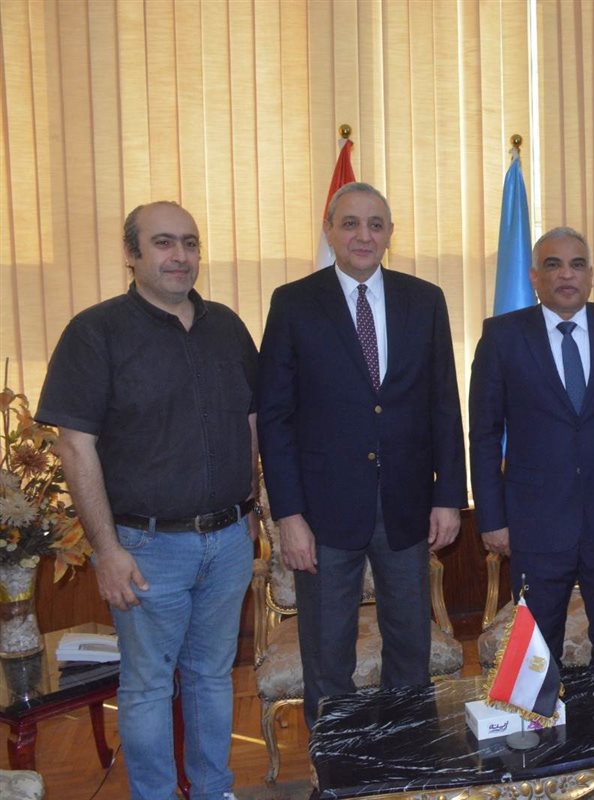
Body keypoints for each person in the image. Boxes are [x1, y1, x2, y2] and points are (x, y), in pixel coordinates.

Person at [37, 202, 257, 800]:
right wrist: (106, 550)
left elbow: (250, 420)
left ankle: (213, 791)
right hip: (145, 548)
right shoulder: (95, 332)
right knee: (148, 687)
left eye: (190, 242)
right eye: (163, 243)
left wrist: (252, 507)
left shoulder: (226, 327)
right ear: (131, 254)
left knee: (213, 677)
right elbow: (75, 446)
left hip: (229, 541)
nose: (179, 256)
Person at [256, 181, 466, 729]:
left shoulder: (425, 300)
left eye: (375, 224)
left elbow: (444, 405)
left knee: (410, 652)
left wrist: (448, 496)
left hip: (406, 509)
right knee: (328, 659)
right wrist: (288, 516)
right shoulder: (293, 303)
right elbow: (275, 419)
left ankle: (406, 760)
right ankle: (336, 768)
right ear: (329, 230)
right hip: (323, 516)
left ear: (391, 234)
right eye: (350, 223)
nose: (363, 235)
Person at [469, 226, 594, 666]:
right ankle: (538, 716)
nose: (566, 275)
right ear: (535, 277)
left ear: (591, 275)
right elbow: (484, 434)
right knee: (535, 652)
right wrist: (492, 518)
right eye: (553, 265)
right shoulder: (503, 336)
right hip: (534, 521)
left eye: (577, 265)